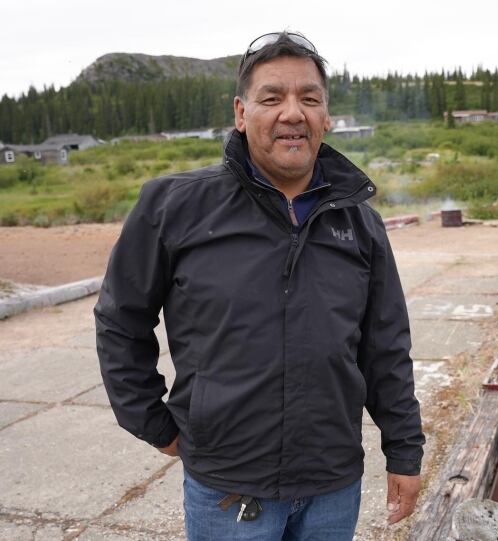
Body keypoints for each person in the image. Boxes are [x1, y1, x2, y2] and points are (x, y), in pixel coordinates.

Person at [95, 31, 425, 541]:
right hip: (228, 490)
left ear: (326, 116)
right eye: (272, 97)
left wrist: (404, 451)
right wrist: (153, 423)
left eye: (309, 99)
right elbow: (120, 320)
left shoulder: (360, 222)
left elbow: (386, 348)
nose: (293, 113)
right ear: (241, 113)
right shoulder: (174, 206)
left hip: (333, 489)